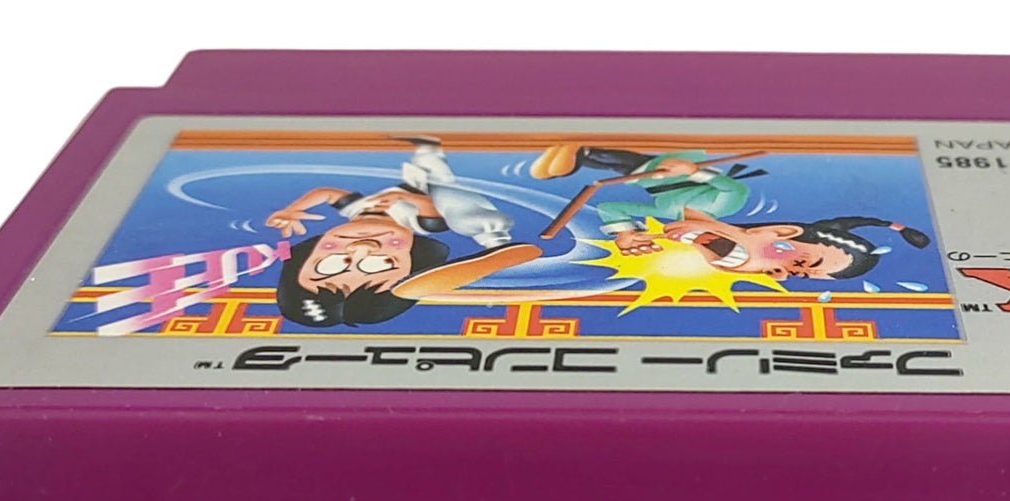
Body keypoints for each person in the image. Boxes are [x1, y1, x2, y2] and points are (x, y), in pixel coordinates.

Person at [264, 136, 539, 327]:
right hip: (429, 192)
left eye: (331, 264)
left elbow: (326, 192)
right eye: (380, 264)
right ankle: (494, 240)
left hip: (415, 182)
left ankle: (429, 147)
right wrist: (404, 199)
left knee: (429, 165)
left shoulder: (357, 209)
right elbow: (432, 207)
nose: (362, 249)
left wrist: (292, 209)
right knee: (454, 202)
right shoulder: (418, 223)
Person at [530, 145, 760, 254]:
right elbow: (734, 188)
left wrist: (625, 232)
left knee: (575, 163)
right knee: (596, 157)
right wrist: (692, 171)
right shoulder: (723, 206)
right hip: (677, 161)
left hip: (642, 174)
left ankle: (569, 154)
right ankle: (575, 152)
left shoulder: (667, 213)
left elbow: (610, 207)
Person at [617, 207, 930, 281]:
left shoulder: (686, 256)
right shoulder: (704, 200)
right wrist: (621, 227)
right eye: (802, 261)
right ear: (780, 232)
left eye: (797, 274)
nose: (779, 272)